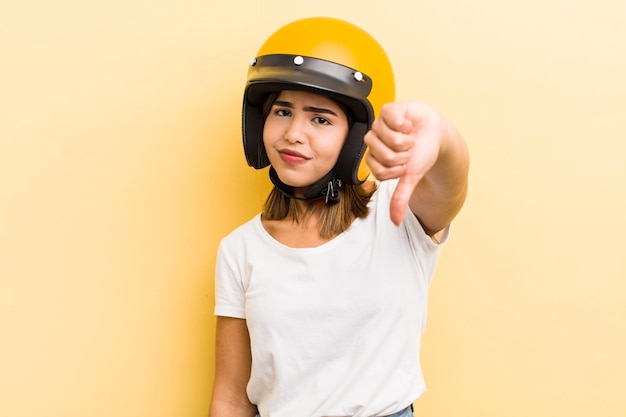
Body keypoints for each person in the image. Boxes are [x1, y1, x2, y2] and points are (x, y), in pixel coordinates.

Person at [209, 17, 469, 417]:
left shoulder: (396, 214)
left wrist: (443, 136)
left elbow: (449, 185)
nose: (293, 133)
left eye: (320, 118)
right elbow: (230, 396)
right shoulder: (240, 249)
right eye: (281, 111)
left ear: (355, 137)